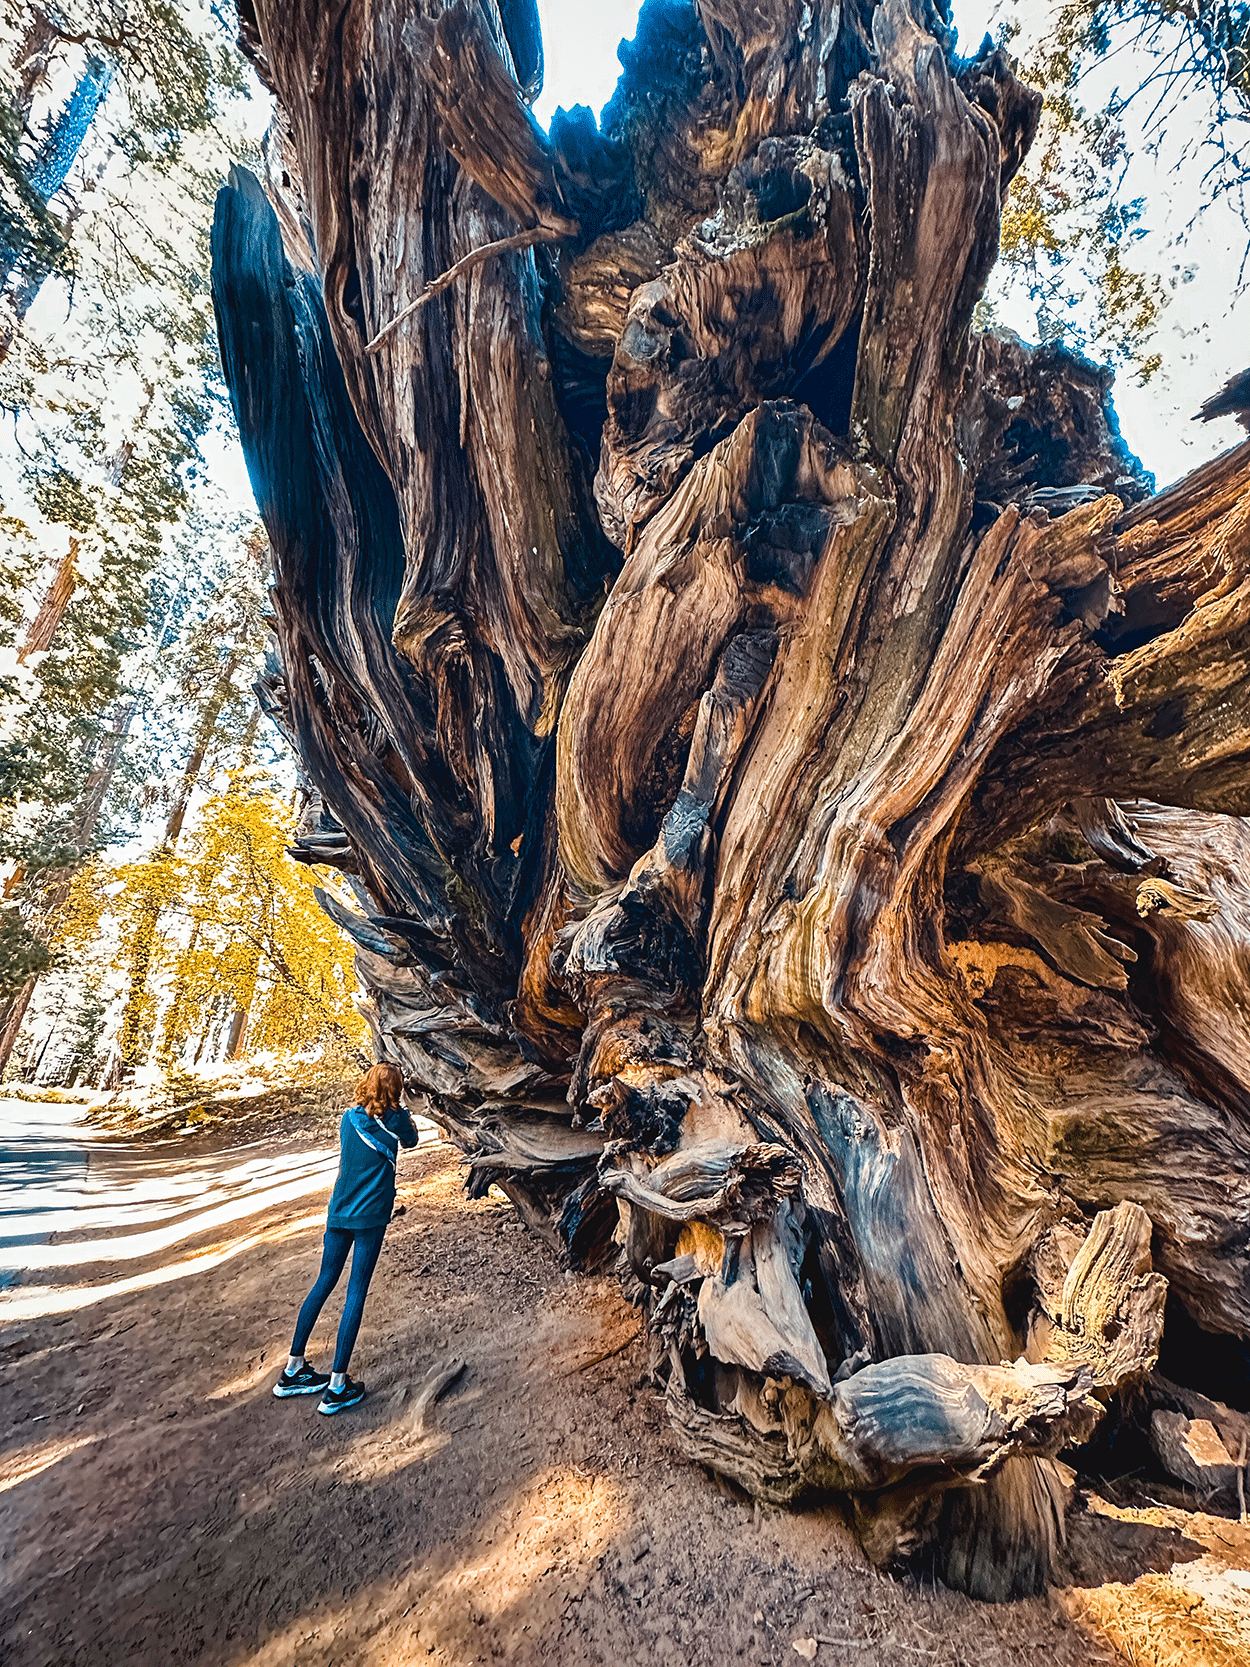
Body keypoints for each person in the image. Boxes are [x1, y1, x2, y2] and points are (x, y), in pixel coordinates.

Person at [273, 1061, 417, 1415]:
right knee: (355, 1291)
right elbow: (411, 1141)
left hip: (339, 1212)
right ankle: (337, 1385)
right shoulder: (396, 1119)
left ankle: (293, 1369)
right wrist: (404, 1109)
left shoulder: (348, 1118)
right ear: (396, 1090)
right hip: (370, 1217)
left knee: (324, 1282)